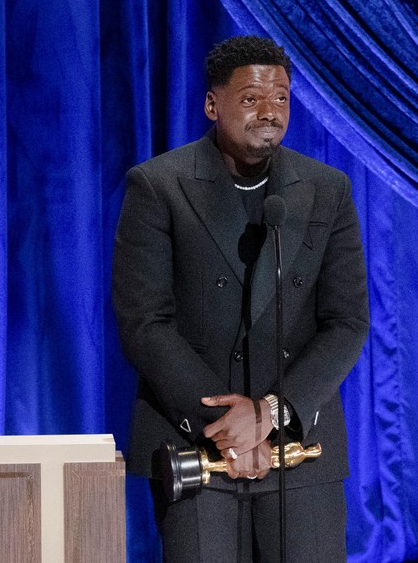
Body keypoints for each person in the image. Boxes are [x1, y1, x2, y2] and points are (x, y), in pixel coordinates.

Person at [112, 35, 370, 562]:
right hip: (197, 447)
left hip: (301, 449)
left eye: (281, 97)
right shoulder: (158, 186)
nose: (270, 111)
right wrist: (230, 427)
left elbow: (346, 322)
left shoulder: (328, 189)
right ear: (213, 105)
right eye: (252, 98)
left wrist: (271, 412)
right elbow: (145, 323)